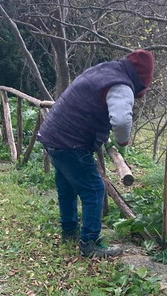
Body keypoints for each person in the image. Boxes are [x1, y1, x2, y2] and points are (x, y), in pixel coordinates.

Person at [38, 50, 154, 258]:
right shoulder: (121, 85)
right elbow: (121, 120)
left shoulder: (106, 69)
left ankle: (69, 231)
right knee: (94, 189)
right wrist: (122, 142)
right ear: (141, 80)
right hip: (70, 141)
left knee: (67, 187)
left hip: (52, 134)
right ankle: (89, 242)